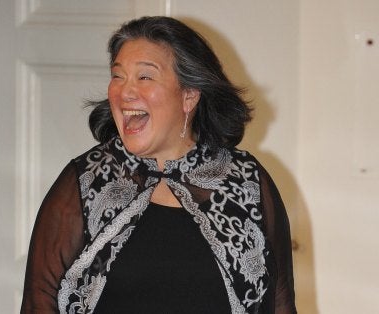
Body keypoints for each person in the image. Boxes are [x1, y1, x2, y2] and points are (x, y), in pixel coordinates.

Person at [21, 16, 297, 314]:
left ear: (189, 95)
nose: (124, 92)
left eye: (145, 77)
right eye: (118, 75)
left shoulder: (247, 182)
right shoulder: (87, 180)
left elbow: (280, 303)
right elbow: (40, 301)